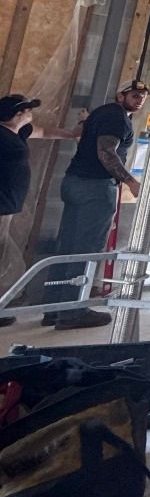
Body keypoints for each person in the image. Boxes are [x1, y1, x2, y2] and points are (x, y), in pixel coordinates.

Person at [41, 78, 147, 328]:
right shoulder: (116, 118)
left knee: (67, 247)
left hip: (74, 182)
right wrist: (131, 181)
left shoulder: (101, 113)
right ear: (120, 96)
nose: (139, 100)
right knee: (86, 250)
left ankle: (53, 308)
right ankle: (72, 312)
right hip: (96, 188)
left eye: (142, 97)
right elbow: (106, 152)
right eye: (134, 95)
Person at [0, 94, 41, 326]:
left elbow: (43, 132)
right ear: (18, 114)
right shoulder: (2, 137)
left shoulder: (18, 132)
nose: (31, 113)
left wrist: (75, 132)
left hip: (7, 207)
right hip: (1, 204)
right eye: (28, 110)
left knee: (5, 257)